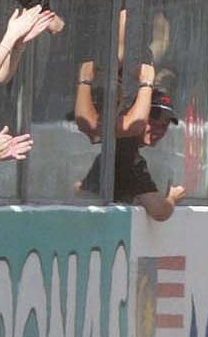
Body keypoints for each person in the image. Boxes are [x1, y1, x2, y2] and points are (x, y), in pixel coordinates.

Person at [76, 64, 186, 221]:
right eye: (153, 120)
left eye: (164, 125)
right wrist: (173, 198)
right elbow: (159, 211)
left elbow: (81, 189)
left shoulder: (121, 147)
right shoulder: (127, 153)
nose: (159, 130)